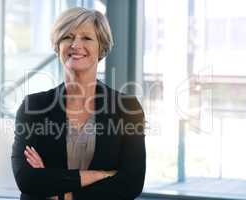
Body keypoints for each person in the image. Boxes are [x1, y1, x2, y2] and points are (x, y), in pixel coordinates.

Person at [11, 7, 146, 200]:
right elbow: (27, 179)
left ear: (101, 46)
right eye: (67, 37)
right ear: (58, 46)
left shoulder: (127, 108)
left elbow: (131, 183)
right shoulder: (34, 106)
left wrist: (64, 195)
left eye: (87, 38)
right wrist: (101, 175)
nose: (76, 44)